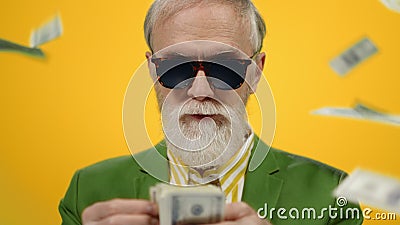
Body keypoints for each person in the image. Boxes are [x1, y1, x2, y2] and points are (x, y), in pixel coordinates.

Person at [59, 1, 364, 225]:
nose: (199, 90)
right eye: (176, 67)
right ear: (153, 70)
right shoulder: (88, 190)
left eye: (226, 68)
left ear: (256, 73)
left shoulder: (332, 195)